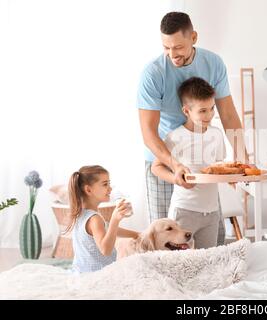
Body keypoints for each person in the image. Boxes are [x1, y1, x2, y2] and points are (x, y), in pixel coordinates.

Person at [136, 12, 248, 245]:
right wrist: (173, 164)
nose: (172, 54)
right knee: (163, 241)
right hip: (164, 158)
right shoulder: (153, 74)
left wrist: (242, 158)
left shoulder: (213, 63)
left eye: (178, 47)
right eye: (166, 47)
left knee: (209, 237)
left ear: (193, 37)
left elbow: (227, 114)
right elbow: (148, 132)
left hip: (200, 159)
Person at [151, 77, 226, 249]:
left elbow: (219, 166)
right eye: (202, 111)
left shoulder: (217, 134)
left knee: (207, 261)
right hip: (184, 211)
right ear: (186, 111)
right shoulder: (175, 137)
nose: (209, 115)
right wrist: (175, 178)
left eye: (212, 108)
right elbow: (156, 167)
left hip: (211, 212)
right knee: (178, 260)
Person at [67, 165, 139, 273]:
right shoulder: (94, 219)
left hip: (79, 273)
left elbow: (107, 229)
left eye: (109, 184)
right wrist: (115, 219)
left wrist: (137, 234)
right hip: (96, 276)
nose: (110, 189)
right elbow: (106, 250)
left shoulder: (81, 214)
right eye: (105, 184)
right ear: (88, 190)